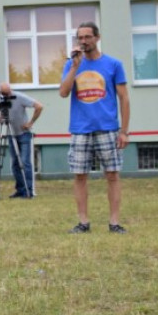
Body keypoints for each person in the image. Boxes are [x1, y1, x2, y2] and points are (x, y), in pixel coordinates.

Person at [58, 22, 130, 234]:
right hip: (81, 129)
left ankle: (114, 222)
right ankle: (83, 222)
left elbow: (124, 98)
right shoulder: (72, 64)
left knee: (112, 175)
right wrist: (73, 66)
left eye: (88, 37)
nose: (83, 41)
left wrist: (124, 131)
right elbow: (63, 93)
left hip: (108, 128)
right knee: (80, 176)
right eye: (80, 38)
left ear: (97, 38)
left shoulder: (113, 64)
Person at [0, 81, 42, 199]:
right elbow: (0, 117)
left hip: (24, 134)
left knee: (25, 162)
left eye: (7, 93)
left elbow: (39, 106)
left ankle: (29, 190)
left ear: (10, 91)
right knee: (15, 164)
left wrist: (30, 122)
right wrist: (0, 118)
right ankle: (20, 190)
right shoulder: (2, 100)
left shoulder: (19, 97)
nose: (5, 96)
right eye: (3, 94)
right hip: (12, 134)